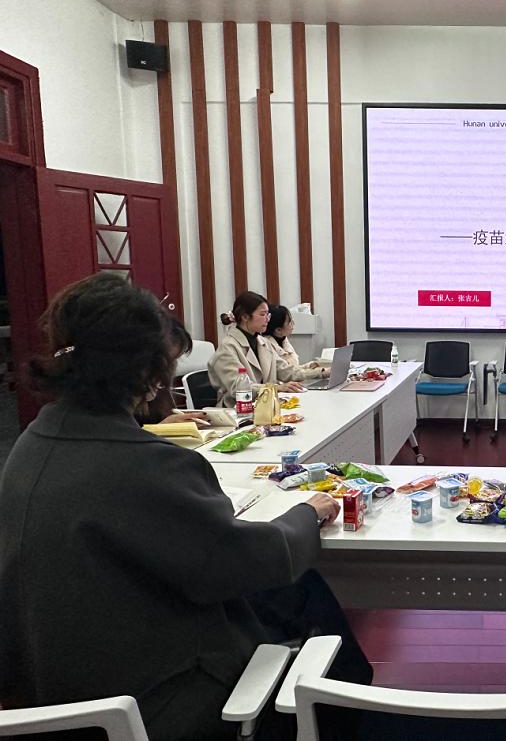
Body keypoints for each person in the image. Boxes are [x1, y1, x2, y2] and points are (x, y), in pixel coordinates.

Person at [0, 273, 371, 741]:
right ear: (147, 373)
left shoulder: (29, 446)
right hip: (158, 705)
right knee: (302, 593)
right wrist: (308, 513)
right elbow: (248, 561)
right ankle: (345, 716)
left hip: (55, 698)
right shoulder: (148, 464)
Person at [208, 291, 305, 407]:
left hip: (265, 405)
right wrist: (277, 388)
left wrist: (320, 372)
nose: (267, 319)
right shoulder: (227, 348)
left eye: (268, 315)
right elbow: (239, 388)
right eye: (263, 314)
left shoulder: (263, 342)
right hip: (236, 410)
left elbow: (285, 371)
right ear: (245, 317)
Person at [261, 305, 325, 381]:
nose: (293, 323)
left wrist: (308, 366)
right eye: (290, 322)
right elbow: (287, 373)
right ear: (278, 330)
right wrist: (321, 373)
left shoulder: (283, 340)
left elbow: (293, 368)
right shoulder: (266, 346)